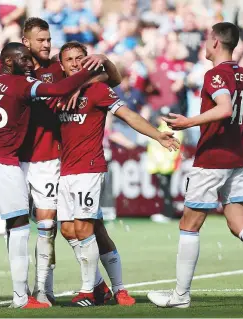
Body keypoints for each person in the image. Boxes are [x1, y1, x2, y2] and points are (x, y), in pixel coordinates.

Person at [0, 17, 122, 306]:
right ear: (25, 43)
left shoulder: (57, 67)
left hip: (49, 159)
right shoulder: (12, 67)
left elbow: (111, 78)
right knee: (15, 227)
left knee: (47, 229)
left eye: (49, 39)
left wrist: (91, 74)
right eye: (41, 40)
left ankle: (43, 289)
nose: (47, 44)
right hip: (13, 160)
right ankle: (23, 289)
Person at [0, 42, 96, 311]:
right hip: (2, 164)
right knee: (20, 227)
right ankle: (22, 298)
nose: (30, 64)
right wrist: (89, 71)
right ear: (10, 62)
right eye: (23, 59)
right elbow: (59, 89)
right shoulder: (22, 85)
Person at [147, 22, 243, 310]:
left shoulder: (214, 75)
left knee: (189, 224)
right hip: (238, 157)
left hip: (213, 158)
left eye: (206, 39)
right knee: (239, 224)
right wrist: (242, 92)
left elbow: (224, 108)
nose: (203, 43)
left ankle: (180, 296)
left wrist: (188, 121)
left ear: (215, 43)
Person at [56, 41, 180, 306]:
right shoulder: (56, 90)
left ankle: (91, 290)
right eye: (70, 59)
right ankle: (107, 287)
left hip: (89, 168)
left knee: (84, 228)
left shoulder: (98, 90)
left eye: (80, 58)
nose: (75, 63)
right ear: (61, 65)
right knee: (70, 230)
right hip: (65, 170)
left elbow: (128, 115)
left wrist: (157, 134)